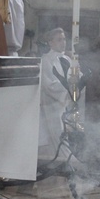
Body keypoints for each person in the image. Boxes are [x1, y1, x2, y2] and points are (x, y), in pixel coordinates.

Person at [39, 28, 74, 160]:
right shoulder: (46, 60)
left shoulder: (67, 59)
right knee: (58, 133)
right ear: (50, 43)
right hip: (52, 104)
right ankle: (66, 161)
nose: (63, 42)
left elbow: (76, 77)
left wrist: (76, 85)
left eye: (64, 39)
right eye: (59, 40)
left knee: (68, 132)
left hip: (67, 102)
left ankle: (67, 160)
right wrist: (68, 89)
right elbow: (49, 84)